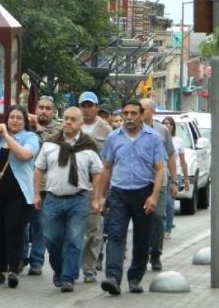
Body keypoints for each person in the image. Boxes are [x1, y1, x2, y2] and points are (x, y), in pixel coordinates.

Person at [95, 100, 167, 296]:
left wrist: (154, 196)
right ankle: (113, 278)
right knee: (115, 236)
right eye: (125, 113)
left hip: (144, 192)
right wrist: (101, 197)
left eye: (133, 113)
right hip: (119, 193)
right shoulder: (113, 138)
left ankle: (135, 278)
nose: (128, 117)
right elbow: (107, 168)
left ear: (141, 114)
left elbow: (160, 169)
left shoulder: (153, 138)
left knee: (142, 239)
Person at [34, 107, 103, 292]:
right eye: (66, 118)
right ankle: (59, 269)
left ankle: (68, 277)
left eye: (73, 119)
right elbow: (39, 168)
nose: (68, 122)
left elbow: (97, 173)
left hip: (79, 199)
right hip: (53, 199)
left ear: (81, 123)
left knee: (74, 240)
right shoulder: (50, 143)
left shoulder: (89, 144)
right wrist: (36, 194)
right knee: (52, 238)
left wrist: (96, 199)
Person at [0, 105, 41, 289]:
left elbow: (24, 155)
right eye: (11, 117)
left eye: (19, 118)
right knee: (0, 230)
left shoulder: (30, 137)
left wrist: (7, 137)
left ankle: (14, 270)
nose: (14, 120)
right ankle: (1, 270)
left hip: (20, 195)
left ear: (25, 121)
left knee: (14, 229)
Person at [76, 91, 113, 283]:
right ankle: (71, 265)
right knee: (72, 231)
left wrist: (104, 192)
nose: (87, 109)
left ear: (97, 107)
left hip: (94, 186)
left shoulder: (106, 130)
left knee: (92, 230)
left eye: (90, 105)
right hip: (72, 185)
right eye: (83, 105)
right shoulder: (72, 124)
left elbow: (109, 162)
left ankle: (89, 268)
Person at [24, 95, 61, 276]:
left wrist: (38, 129)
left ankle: (36, 261)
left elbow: (53, 146)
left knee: (39, 224)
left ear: (53, 112)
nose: (43, 111)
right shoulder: (25, 126)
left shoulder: (58, 129)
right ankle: (20, 257)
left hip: (45, 185)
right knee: (22, 224)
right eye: (41, 107)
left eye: (48, 108)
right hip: (24, 183)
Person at [139, 99, 177, 273]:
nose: (140, 112)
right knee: (141, 219)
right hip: (139, 182)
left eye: (143, 109)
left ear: (152, 112)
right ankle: (141, 253)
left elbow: (170, 156)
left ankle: (156, 253)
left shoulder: (162, 131)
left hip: (160, 181)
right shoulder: (131, 130)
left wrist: (175, 181)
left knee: (157, 217)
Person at [161, 116, 189, 239]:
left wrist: (186, 179)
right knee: (161, 203)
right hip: (161, 172)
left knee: (169, 203)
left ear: (173, 127)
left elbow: (183, 161)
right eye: (165, 123)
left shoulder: (178, 141)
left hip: (174, 173)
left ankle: (168, 229)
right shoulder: (158, 138)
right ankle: (160, 228)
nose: (167, 126)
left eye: (170, 124)